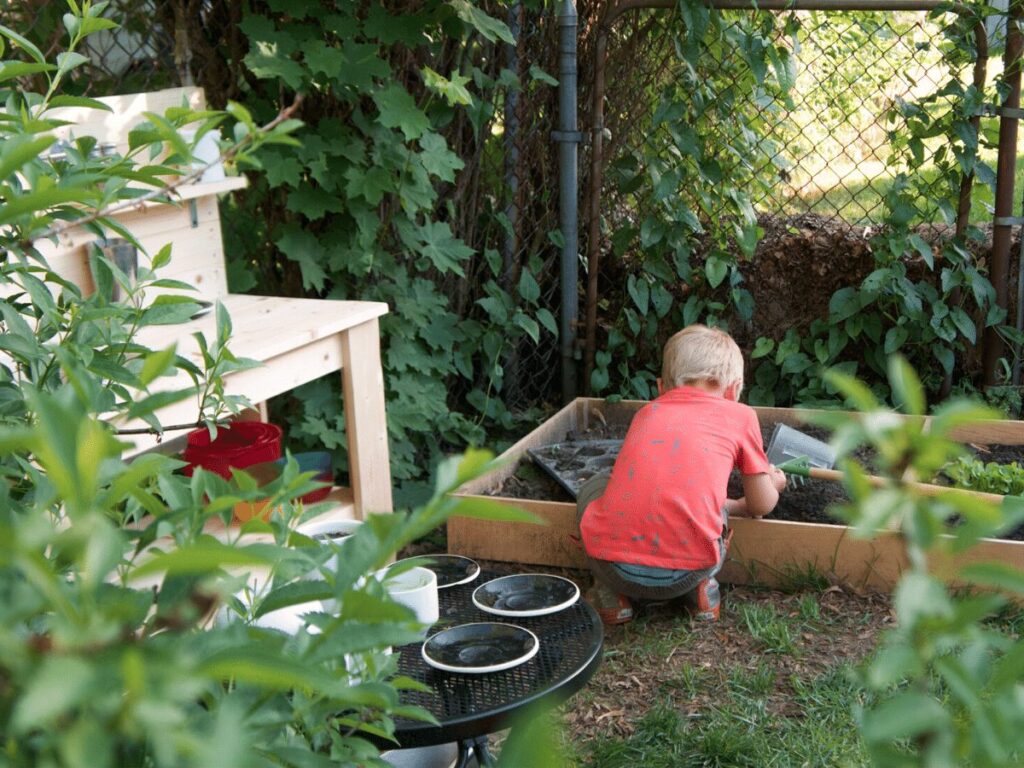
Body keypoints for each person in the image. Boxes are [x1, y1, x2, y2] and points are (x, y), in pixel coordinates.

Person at [577, 324, 787, 625]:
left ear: (662, 388)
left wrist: (735, 504)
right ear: (733, 389)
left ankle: (612, 595)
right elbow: (761, 505)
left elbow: (662, 490)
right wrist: (773, 482)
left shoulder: (646, 413)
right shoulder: (741, 416)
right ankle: (702, 592)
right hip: (689, 573)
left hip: (614, 567)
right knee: (700, 507)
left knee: (598, 485)